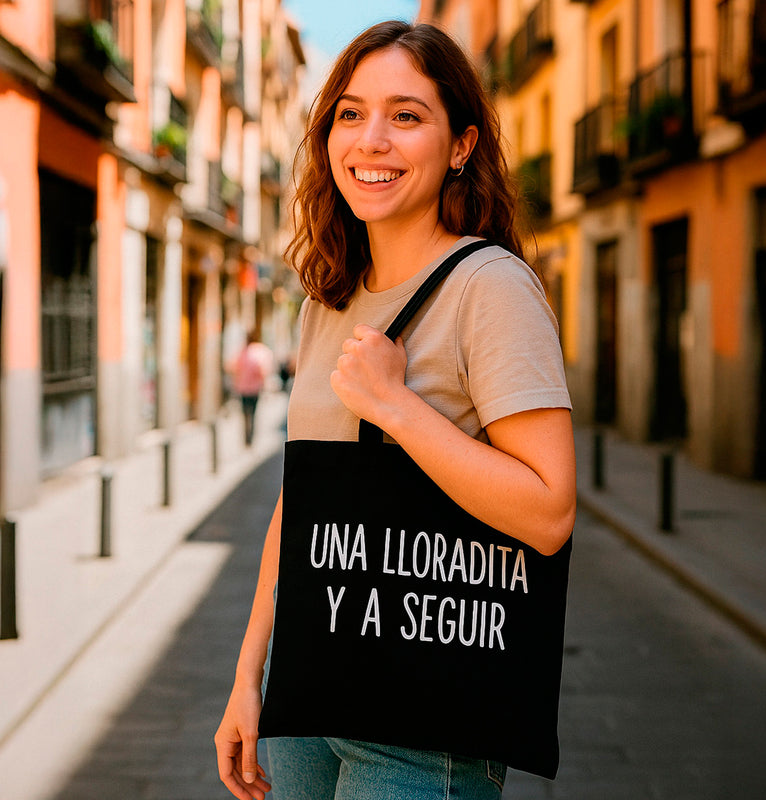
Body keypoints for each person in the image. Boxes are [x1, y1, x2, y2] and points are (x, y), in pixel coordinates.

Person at [215, 20, 576, 800]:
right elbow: (305, 497)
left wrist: (395, 406)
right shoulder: (327, 302)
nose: (371, 139)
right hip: (309, 689)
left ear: (460, 145)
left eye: (406, 116)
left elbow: (550, 512)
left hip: (424, 714)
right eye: (350, 113)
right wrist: (250, 675)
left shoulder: (492, 288)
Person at [231, 331, 272, 446]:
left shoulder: (242, 352)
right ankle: (251, 437)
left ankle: (246, 437)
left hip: (242, 388)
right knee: (253, 413)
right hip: (254, 389)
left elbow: (234, 368)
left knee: (245, 413)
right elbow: (262, 370)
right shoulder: (259, 351)